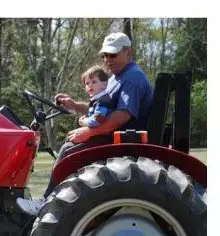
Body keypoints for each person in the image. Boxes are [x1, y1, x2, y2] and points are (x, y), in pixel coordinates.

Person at [17, 32, 154, 216]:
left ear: (128, 52)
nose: (107, 60)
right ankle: (55, 201)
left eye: (113, 54)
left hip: (122, 140)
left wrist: (89, 132)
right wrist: (73, 105)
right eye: (104, 55)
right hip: (111, 136)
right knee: (68, 146)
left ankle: (46, 203)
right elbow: (100, 109)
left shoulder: (132, 78)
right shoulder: (115, 78)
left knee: (68, 150)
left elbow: (122, 115)